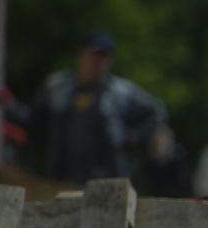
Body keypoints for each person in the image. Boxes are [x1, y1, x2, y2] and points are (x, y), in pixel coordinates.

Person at [30, 31, 173, 185]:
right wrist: (7, 108)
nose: (97, 62)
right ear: (81, 54)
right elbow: (33, 119)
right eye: (93, 55)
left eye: (103, 57)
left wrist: (131, 136)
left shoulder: (120, 92)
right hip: (62, 180)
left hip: (108, 181)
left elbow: (158, 112)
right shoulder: (57, 87)